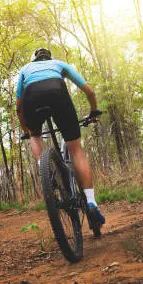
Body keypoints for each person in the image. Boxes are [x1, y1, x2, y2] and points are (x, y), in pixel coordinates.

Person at [16, 47, 105, 228]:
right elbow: (90, 92)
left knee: (35, 135)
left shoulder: (25, 69)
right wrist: (94, 111)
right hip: (58, 95)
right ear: (49, 58)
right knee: (76, 150)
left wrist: (26, 129)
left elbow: (18, 105)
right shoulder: (59, 64)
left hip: (32, 99)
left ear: (33, 60)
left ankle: (44, 168)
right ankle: (91, 202)